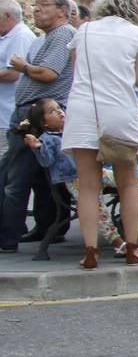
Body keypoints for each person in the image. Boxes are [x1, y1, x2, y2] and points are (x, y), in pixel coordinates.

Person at [61, 0, 138, 267]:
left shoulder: (84, 31)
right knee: (127, 183)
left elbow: (77, 72)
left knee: (89, 185)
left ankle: (90, 251)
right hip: (118, 110)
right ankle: (132, 249)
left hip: (81, 110)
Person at [1, 0, 77, 251]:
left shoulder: (63, 34)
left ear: (61, 10)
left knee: (14, 177)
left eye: (43, 5)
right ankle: (48, 227)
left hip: (39, 116)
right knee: (38, 178)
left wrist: (22, 67)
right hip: (30, 113)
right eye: (36, 4)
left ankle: (7, 237)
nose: (36, 9)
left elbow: (48, 74)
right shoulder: (46, 37)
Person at [21, 98, 77, 260]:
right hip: (72, 178)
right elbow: (46, 161)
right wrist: (38, 148)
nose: (60, 112)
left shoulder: (69, 131)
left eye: (59, 108)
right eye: (52, 111)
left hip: (90, 174)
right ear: (44, 123)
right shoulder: (48, 138)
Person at [0, 0, 37, 129]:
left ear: (8, 16)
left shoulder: (21, 36)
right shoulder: (8, 34)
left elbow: (13, 74)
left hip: (7, 114)